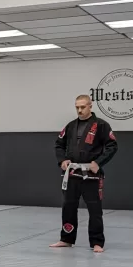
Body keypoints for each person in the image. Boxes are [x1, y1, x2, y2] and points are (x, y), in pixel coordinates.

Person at [50, 94, 118, 253]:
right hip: (73, 173)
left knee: (95, 210)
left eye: (83, 107)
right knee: (68, 207)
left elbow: (112, 146)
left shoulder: (101, 125)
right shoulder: (71, 126)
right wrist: (62, 161)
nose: (79, 110)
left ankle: (97, 242)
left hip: (91, 175)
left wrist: (98, 163)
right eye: (77, 107)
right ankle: (66, 238)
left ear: (90, 106)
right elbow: (59, 144)